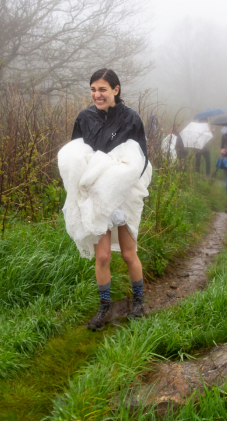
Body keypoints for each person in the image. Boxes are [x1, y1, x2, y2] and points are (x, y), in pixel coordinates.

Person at [69, 68, 149, 330]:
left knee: (128, 253)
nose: (96, 94)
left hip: (123, 196)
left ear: (116, 90)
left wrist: (119, 183)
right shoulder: (85, 117)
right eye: (93, 89)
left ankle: (138, 302)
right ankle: (104, 307)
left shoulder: (131, 118)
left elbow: (140, 157)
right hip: (96, 197)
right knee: (102, 256)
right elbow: (75, 156)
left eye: (102, 89)